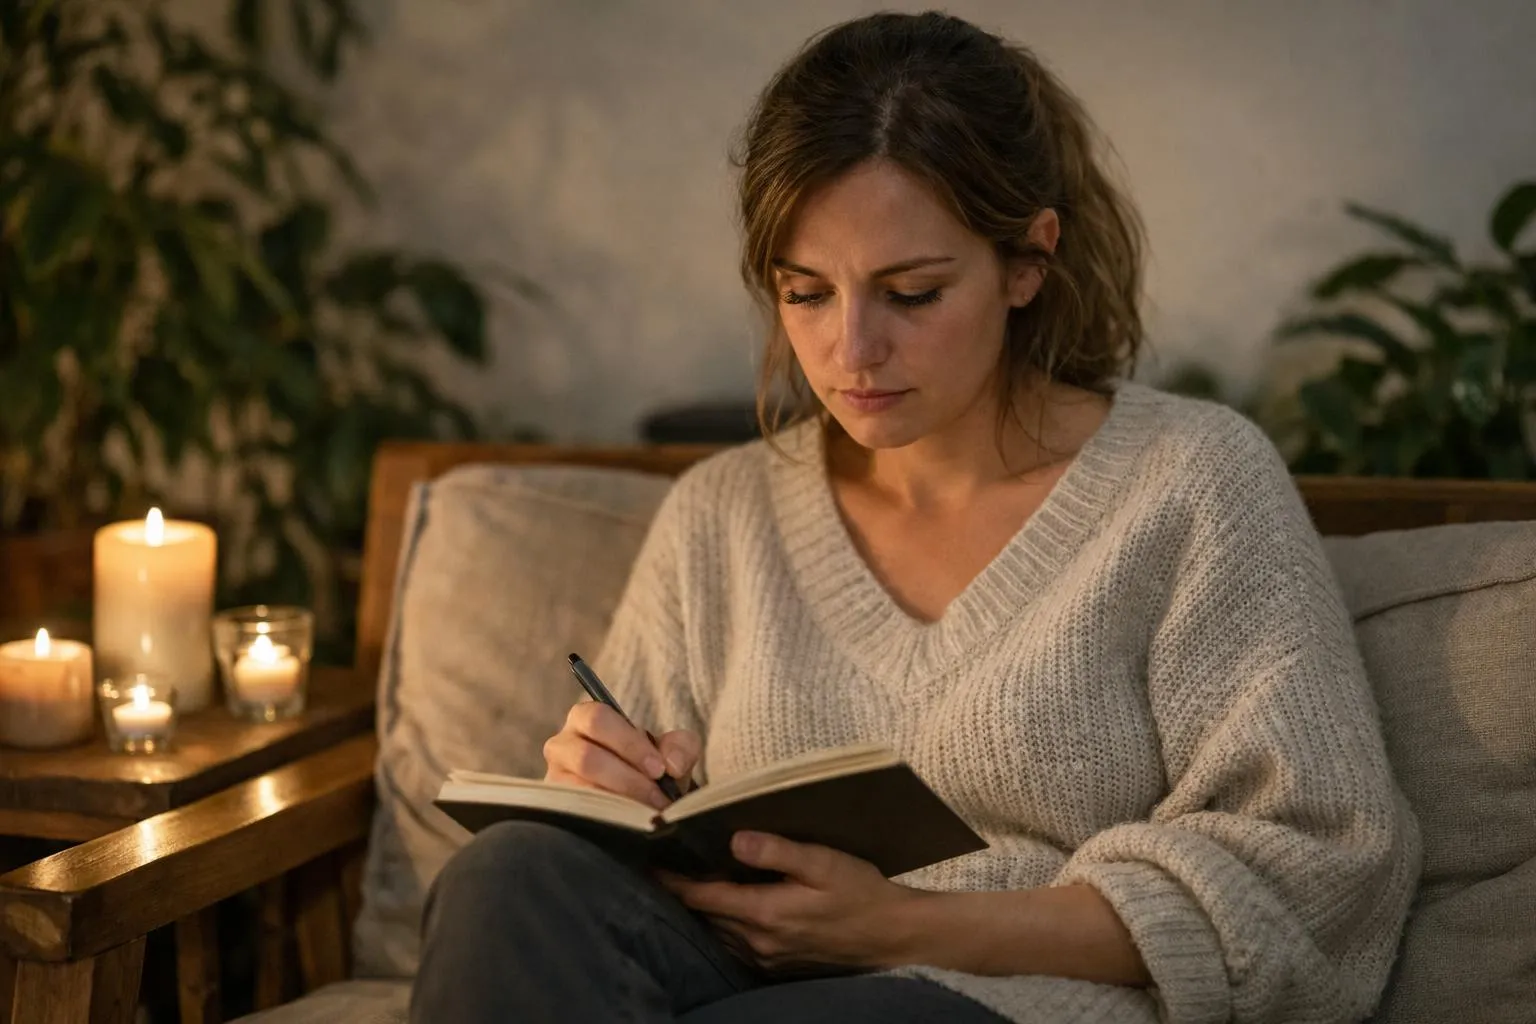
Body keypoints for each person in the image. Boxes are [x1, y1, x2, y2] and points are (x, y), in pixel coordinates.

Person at [409, 11, 1420, 1024]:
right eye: (807, 293)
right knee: (515, 875)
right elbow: (633, 844)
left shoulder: (1191, 482)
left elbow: (1317, 869)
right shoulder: (722, 515)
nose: (852, 350)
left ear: (1027, 261)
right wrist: (602, 794)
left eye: (913, 293)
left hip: (1009, 1002)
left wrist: (897, 927)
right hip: (736, 974)